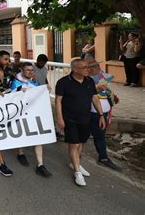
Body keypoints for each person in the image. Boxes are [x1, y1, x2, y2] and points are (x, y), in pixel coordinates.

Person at [55, 59, 106, 187]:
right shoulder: (63, 82)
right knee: (74, 144)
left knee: (81, 142)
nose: (88, 69)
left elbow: (94, 98)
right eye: (84, 67)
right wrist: (60, 118)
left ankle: (75, 163)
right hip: (70, 119)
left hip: (85, 118)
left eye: (88, 67)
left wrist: (101, 115)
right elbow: (58, 101)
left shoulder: (89, 81)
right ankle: (77, 173)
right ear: (75, 69)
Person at [10, 62, 52, 177]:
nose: (30, 72)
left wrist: (46, 89)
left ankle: (40, 165)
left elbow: (39, 95)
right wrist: (19, 91)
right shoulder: (15, 82)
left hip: (33, 114)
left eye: (32, 70)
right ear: (22, 71)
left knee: (38, 137)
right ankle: (20, 152)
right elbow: (11, 97)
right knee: (21, 134)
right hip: (20, 114)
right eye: (28, 70)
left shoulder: (35, 82)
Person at [86, 59, 122, 171]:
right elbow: (86, 93)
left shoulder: (100, 77)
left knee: (99, 135)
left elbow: (105, 88)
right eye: (95, 67)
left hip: (103, 113)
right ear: (90, 69)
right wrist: (97, 88)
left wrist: (113, 95)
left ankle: (102, 156)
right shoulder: (86, 79)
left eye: (98, 67)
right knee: (99, 136)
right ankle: (103, 158)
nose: (98, 69)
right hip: (95, 113)